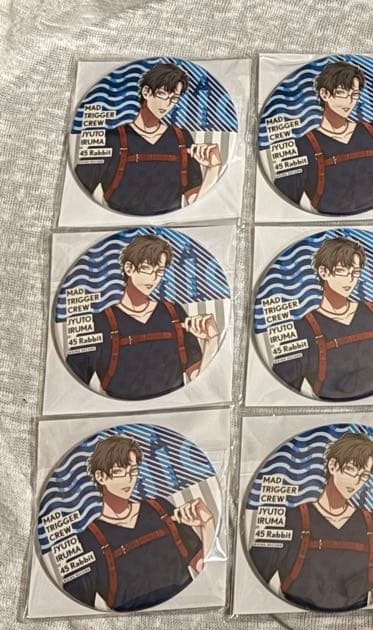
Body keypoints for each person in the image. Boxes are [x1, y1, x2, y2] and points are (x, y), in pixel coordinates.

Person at [248, 432, 373, 611]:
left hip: (355, 622)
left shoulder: (370, 523)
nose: (356, 481)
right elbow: (249, 582)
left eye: (364, 475)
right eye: (351, 469)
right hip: (294, 617)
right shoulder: (291, 519)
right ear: (333, 466)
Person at [63, 436, 215, 611]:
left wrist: (207, 524)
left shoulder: (160, 509)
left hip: (188, 609)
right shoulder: (87, 541)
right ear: (100, 476)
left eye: (133, 470)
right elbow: (72, 608)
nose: (129, 479)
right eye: (119, 471)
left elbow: (205, 570)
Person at [66, 234, 219, 400]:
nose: (154, 278)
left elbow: (199, 380)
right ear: (129, 268)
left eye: (159, 271)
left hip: (174, 408)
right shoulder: (99, 323)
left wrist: (212, 340)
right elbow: (69, 387)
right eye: (147, 268)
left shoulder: (174, 313)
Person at [272, 237, 373, 400]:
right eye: (342, 271)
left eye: (355, 272)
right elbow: (278, 393)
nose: (350, 279)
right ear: (324, 272)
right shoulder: (302, 330)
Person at [75, 63, 221, 215]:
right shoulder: (111, 140)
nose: (167, 103)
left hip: (170, 224)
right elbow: (76, 194)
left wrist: (213, 168)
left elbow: (196, 203)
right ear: (146, 92)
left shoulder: (182, 139)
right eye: (163, 94)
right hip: (118, 222)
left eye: (174, 98)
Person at [273, 61, 373, 214]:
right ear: (324, 94)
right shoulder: (302, 147)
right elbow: (280, 205)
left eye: (354, 94)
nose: (350, 101)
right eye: (342, 93)